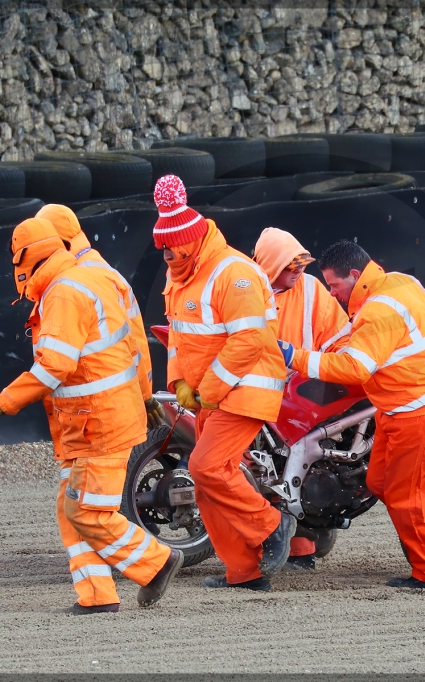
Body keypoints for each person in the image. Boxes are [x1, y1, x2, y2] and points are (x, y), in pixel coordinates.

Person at [0, 217, 182, 615]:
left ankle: (156, 562)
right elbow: (135, 343)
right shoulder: (89, 279)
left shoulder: (66, 292)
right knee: (70, 508)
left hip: (99, 422)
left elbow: (54, 366)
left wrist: (3, 402)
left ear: (26, 259)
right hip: (89, 421)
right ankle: (97, 595)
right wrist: (143, 393)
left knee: (86, 511)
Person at [286, 240, 425, 589]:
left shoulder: (376, 311)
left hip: (418, 410)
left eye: (335, 286)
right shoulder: (401, 282)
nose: (333, 294)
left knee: (404, 494)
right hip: (411, 404)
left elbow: (354, 367)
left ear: (355, 276)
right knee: (380, 482)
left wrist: (294, 356)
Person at [153, 175, 293, 592]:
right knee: (211, 477)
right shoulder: (178, 276)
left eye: (173, 247)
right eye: (162, 248)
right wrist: (178, 382)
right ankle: (246, 572)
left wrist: (207, 390)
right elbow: (177, 335)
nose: (167, 255)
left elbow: (251, 340)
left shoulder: (235, 273)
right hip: (211, 394)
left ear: (192, 239)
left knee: (205, 466)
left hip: (247, 389)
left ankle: (273, 524)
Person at [252, 227, 351, 570]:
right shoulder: (247, 289)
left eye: (301, 266)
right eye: (291, 267)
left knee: (304, 465)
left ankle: (303, 547)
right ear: (269, 265)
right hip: (258, 396)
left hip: (306, 396)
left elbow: (340, 339)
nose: (299, 273)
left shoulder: (312, 290)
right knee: (269, 470)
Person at [34, 204, 167, 434]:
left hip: (96, 409)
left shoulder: (75, 280)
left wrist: (144, 396)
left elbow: (131, 340)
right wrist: (144, 395)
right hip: (101, 405)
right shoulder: (97, 271)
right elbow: (135, 340)